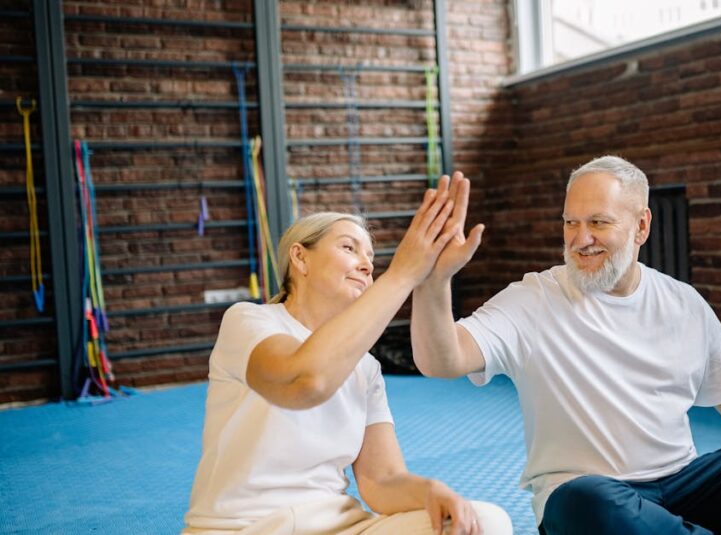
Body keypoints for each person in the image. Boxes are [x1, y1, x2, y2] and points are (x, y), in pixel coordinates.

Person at [411, 157, 721, 534]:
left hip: (686, 486)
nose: (581, 239)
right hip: (596, 502)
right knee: (584, 499)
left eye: (598, 222)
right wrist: (434, 282)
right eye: (570, 223)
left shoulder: (682, 302)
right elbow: (442, 359)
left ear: (641, 226)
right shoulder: (532, 299)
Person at [183, 176, 512, 535]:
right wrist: (402, 274)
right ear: (300, 257)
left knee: (485, 523)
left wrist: (431, 491)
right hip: (243, 528)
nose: (367, 265)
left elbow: (381, 480)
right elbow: (305, 381)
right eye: (349, 248)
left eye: (371, 258)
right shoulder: (248, 322)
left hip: (339, 527)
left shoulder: (366, 368)